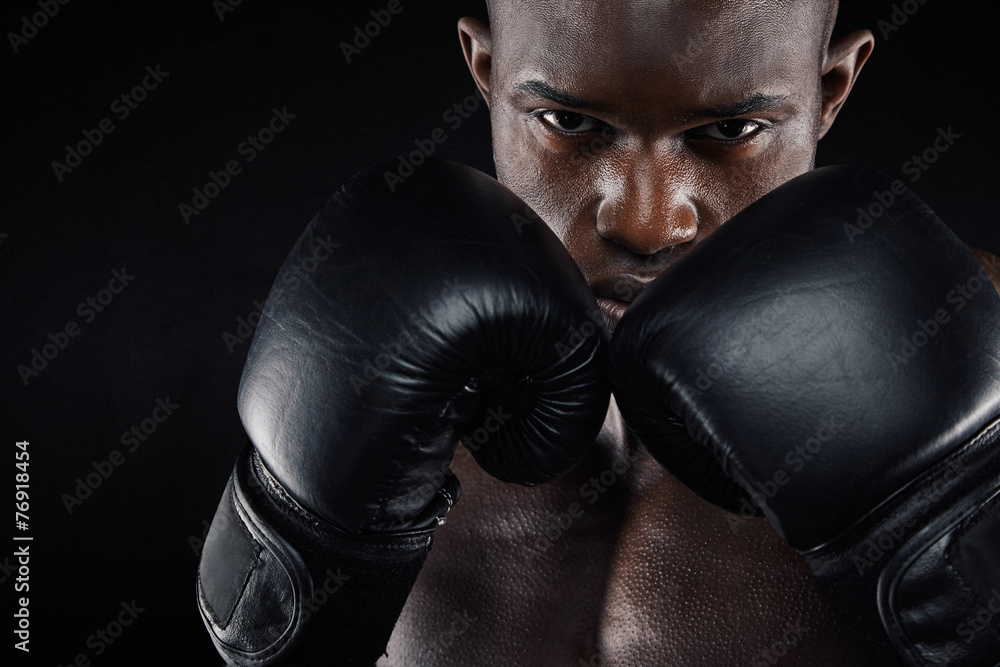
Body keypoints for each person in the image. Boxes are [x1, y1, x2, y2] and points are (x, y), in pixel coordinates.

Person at [196, 1, 1000, 665]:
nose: (648, 223)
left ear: (830, 87)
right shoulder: (375, 339)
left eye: (729, 132)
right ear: (487, 71)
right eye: (569, 122)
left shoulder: (974, 353)